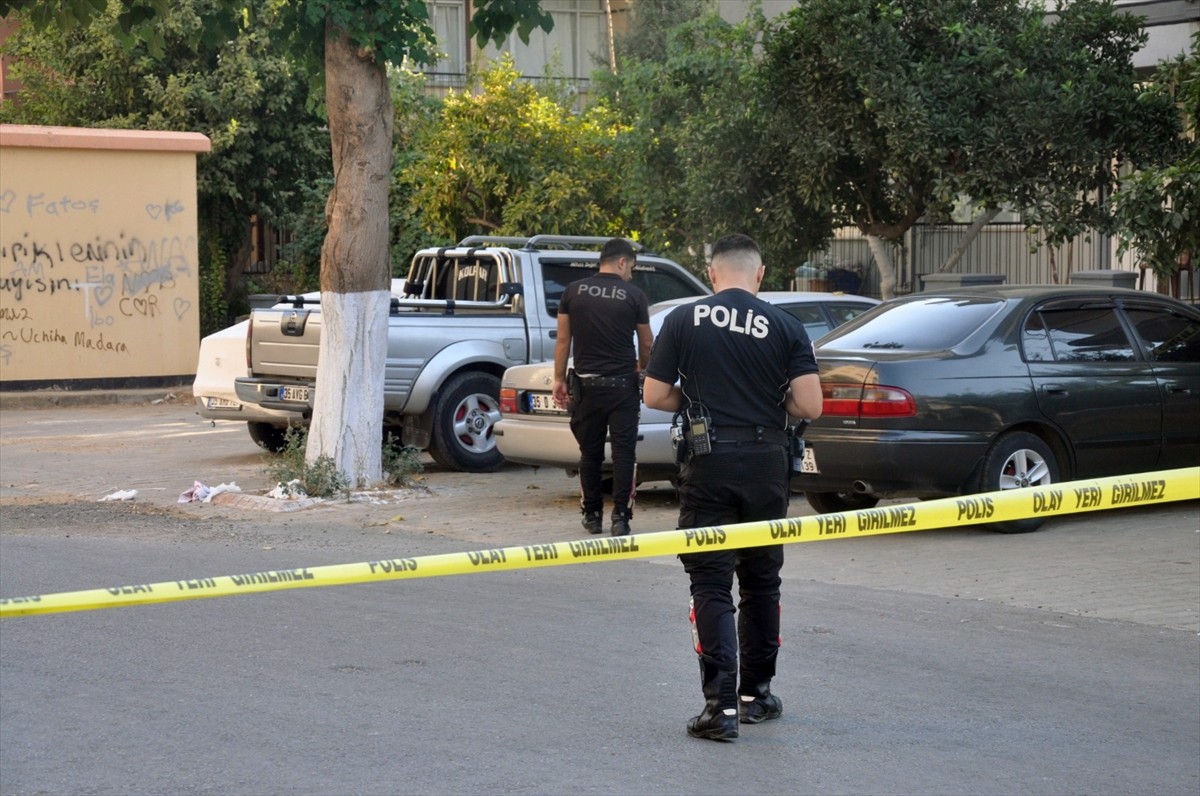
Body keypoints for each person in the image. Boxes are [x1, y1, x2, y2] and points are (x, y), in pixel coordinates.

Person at [642, 233, 822, 742]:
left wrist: (697, 405)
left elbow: (655, 393)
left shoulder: (683, 319)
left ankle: (719, 710)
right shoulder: (787, 325)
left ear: (712, 272)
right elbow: (810, 405)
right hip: (767, 462)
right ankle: (756, 696)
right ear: (760, 274)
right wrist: (769, 411)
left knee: (712, 582)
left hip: (709, 461)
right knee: (762, 581)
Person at [552, 238, 653, 537]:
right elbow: (646, 342)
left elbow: (562, 340)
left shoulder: (572, 292)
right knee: (625, 454)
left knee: (589, 454)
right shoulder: (634, 295)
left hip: (585, 386)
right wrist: (642, 368)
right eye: (631, 268)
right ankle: (621, 517)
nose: (631, 275)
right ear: (622, 262)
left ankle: (592, 515)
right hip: (622, 387)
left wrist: (559, 379)